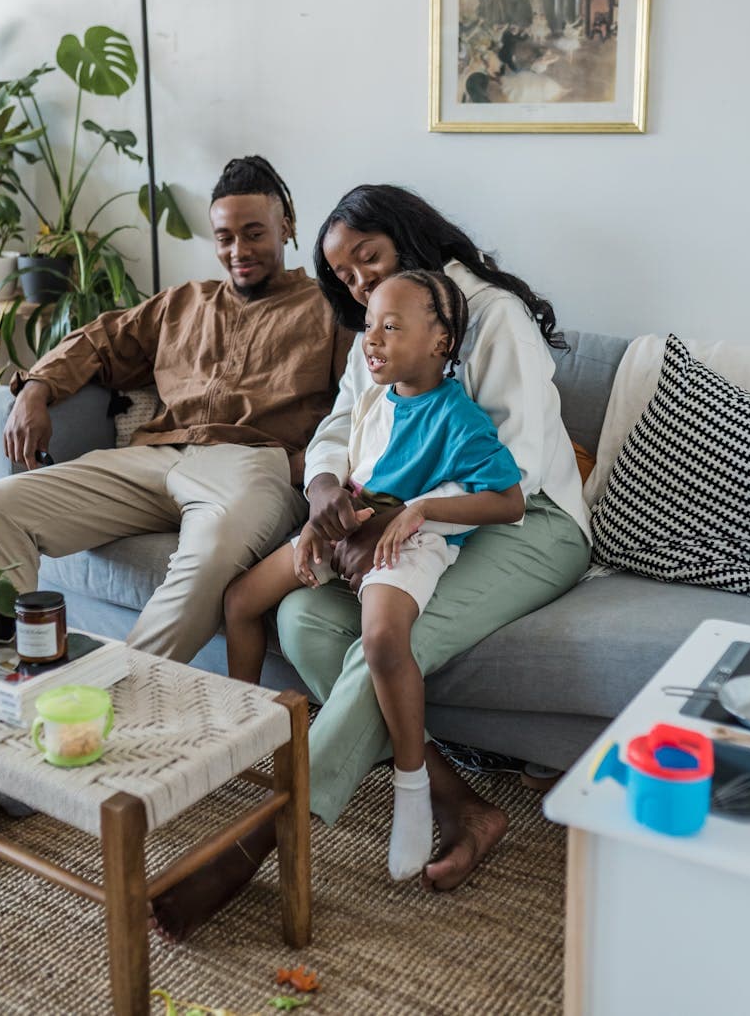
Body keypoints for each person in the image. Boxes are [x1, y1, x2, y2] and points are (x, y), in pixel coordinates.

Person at [151, 183, 591, 940]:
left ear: (410, 239)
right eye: (344, 275)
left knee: (389, 642)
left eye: (369, 258)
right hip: (401, 522)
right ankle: (459, 804)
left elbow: (509, 471)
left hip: (523, 521)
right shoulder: (379, 326)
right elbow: (341, 427)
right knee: (301, 617)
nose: (356, 282)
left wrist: (385, 516)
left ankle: (257, 839)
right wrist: (328, 490)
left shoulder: (489, 316)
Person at [0, 155, 352, 852]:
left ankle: (72, 728)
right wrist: (32, 390)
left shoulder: (329, 310)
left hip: (253, 463)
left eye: (254, 233)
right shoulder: (183, 304)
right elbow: (96, 342)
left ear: (287, 227)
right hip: (155, 455)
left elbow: (358, 413)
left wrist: (305, 469)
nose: (237, 250)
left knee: (210, 557)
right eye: (224, 236)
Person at [223, 270, 524, 880]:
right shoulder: (371, 400)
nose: (373, 340)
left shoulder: (458, 418)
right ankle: (243, 740)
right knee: (240, 599)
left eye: (391, 327)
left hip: (410, 546)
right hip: (349, 531)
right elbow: (355, 479)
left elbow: (510, 502)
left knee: (384, 641)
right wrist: (316, 526)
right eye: (368, 326)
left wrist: (423, 509)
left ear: (442, 343)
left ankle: (413, 791)